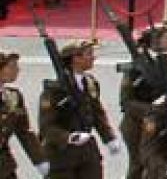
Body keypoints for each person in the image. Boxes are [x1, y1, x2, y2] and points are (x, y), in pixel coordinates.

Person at [39, 39, 122, 178]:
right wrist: (70, 137)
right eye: (88, 54)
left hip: (87, 152)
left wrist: (109, 138)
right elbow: (46, 127)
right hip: (61, 153)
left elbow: (97, 113)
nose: (93, 57)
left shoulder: (90, 83)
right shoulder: (54, 89)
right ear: (75, 58)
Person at [0, 49, 46, 179]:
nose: (17, 70)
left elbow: (24, 132)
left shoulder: (13, 96)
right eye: (12, 66)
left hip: (3, 167)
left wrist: (41, 162)